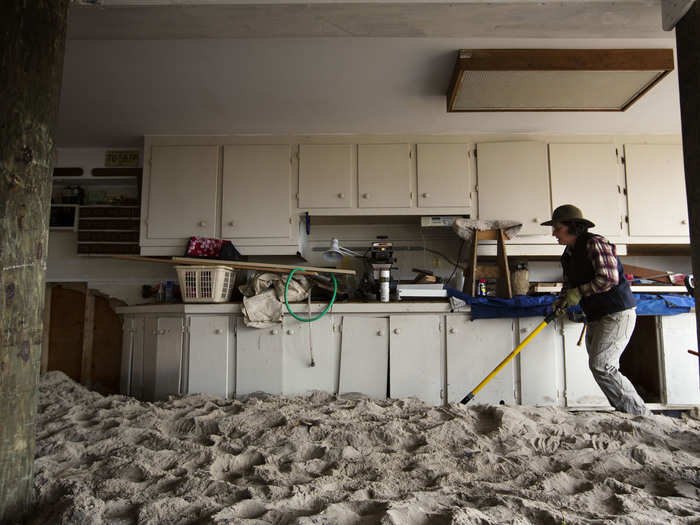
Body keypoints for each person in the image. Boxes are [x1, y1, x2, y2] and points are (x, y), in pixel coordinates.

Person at [542, 204, 650, 416]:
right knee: (599, 366)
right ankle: (627, 412)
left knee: (602, 365)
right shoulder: (568, 255)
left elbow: (609, 278)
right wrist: (563, 300)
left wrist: (579, 292)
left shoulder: (594, 243)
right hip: (596, 315)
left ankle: (639, 414)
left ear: (572, 227)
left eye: (557, 228)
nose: (554, 233)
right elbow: (569, 284)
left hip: (616, 313)